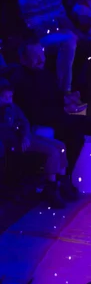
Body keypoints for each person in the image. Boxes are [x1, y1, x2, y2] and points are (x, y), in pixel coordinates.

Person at [8, 39, 91, 193]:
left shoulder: (45, 73)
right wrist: (61, 106)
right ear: (24, 59)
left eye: (42, 54)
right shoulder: (20, 79)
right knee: (75, 137)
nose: (41, 59)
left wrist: (67, 100)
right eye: (36, 56)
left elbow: (54, 96)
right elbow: (33, 111)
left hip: (58, 117)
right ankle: (63, 179)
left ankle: (79, 171)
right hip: (41, 121)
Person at [18, 0, 79, 99]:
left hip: (57, 32)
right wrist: (62, 32)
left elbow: (62, 15)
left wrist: (77, 32)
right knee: (68, 40)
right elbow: (36, 29)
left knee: (75, 36)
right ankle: (64, 90)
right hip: (39, 39)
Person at [0, 78, 67, 208]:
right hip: (13, 141)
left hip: (26, 136)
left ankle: (62, 183)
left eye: (10, 96)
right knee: (52, 152)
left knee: (60, 146)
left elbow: (24, 121)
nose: (8, 100)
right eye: (4, 97)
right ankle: (51, 189)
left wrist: (26, 135)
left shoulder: (13, 107)